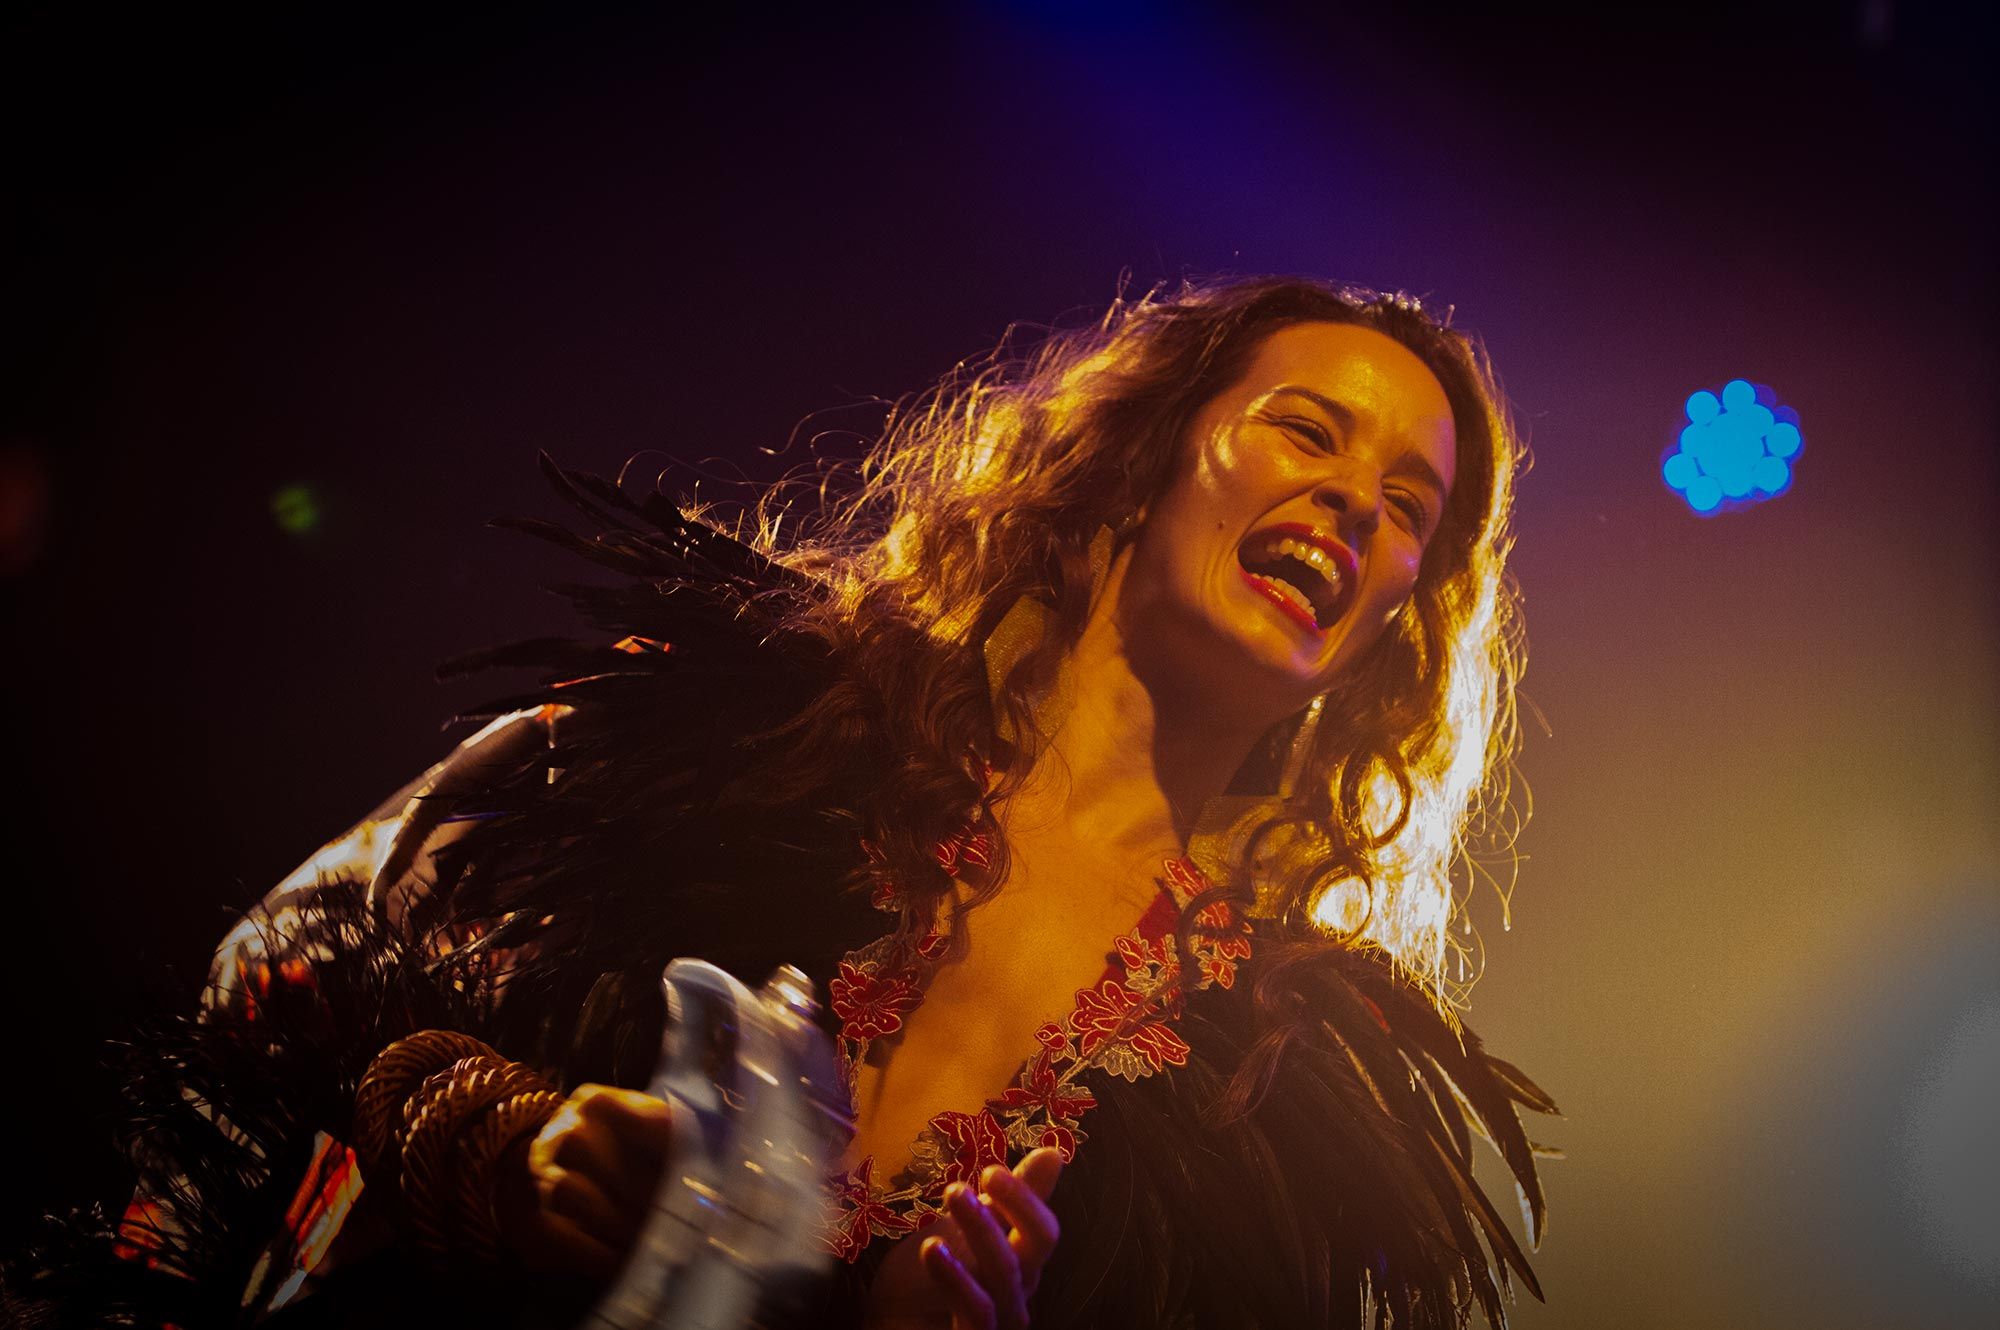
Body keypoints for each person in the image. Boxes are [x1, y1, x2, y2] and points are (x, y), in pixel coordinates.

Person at [2, 275, 1557, 1330]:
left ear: (1398, 621)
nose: (1357, 500)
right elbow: (286, 979)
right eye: (1308, 427)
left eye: (1410, 505)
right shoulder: (738, 723)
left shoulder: (1279, 1103)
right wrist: (501, 1141)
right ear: (1148, 457)